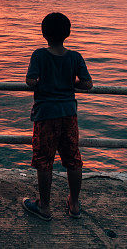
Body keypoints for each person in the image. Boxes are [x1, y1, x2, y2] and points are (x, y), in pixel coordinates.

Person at [22, 12, 93, 221]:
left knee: (44, 161)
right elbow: (88, 84)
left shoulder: (39, 55)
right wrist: (70, 84)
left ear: (44, 34)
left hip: (45, 116)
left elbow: (30, 81)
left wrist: (43, 82)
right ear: (68, 34)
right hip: (69, 115)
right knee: (72, 159)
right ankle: (74, 204)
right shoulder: (75, 57)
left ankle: (44, 207)